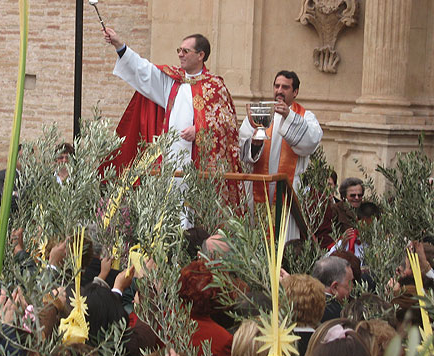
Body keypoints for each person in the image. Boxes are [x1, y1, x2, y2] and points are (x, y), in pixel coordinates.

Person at [103, 27, 243, 207]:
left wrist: (200, 130)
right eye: (179, 50)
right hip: (173, 160)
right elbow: (144, 70)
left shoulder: (215, 87)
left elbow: (228, 124)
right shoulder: (174, 81)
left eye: (186, 51)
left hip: (201, 164)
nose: (180, 55)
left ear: (201, 55)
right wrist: (119, 45)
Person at [239, 70, 323, 240]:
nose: (279, 90)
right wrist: (254, 146)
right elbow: (242, 146)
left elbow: (310, 143)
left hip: (287, 194)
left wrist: (288, 116)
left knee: (284, 243)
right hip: (258, 192)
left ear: (295, 92)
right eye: (277, 86)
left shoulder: (304, 117)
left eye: (285, 87)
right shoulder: (259, 112)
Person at [312, 256, 354, 322]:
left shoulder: (300, 304)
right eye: (350, 282)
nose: (353, 287)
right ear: (335, 287)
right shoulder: (338, 316)